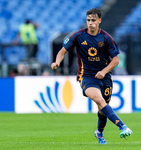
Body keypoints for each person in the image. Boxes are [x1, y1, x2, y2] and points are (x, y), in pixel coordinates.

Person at [51, 8, 132, 144]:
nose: (90, 23)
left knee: (103, 108)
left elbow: (116, 60)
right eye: (88, 20)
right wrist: (57, 62)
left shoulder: (106, 38)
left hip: (104, 77)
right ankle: (123, 126)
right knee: (100, 101)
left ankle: (99, 133)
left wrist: (104, 71)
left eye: (93, 20)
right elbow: (62, 51)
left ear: (99, 21)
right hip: (86, 76)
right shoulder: (78, 36)